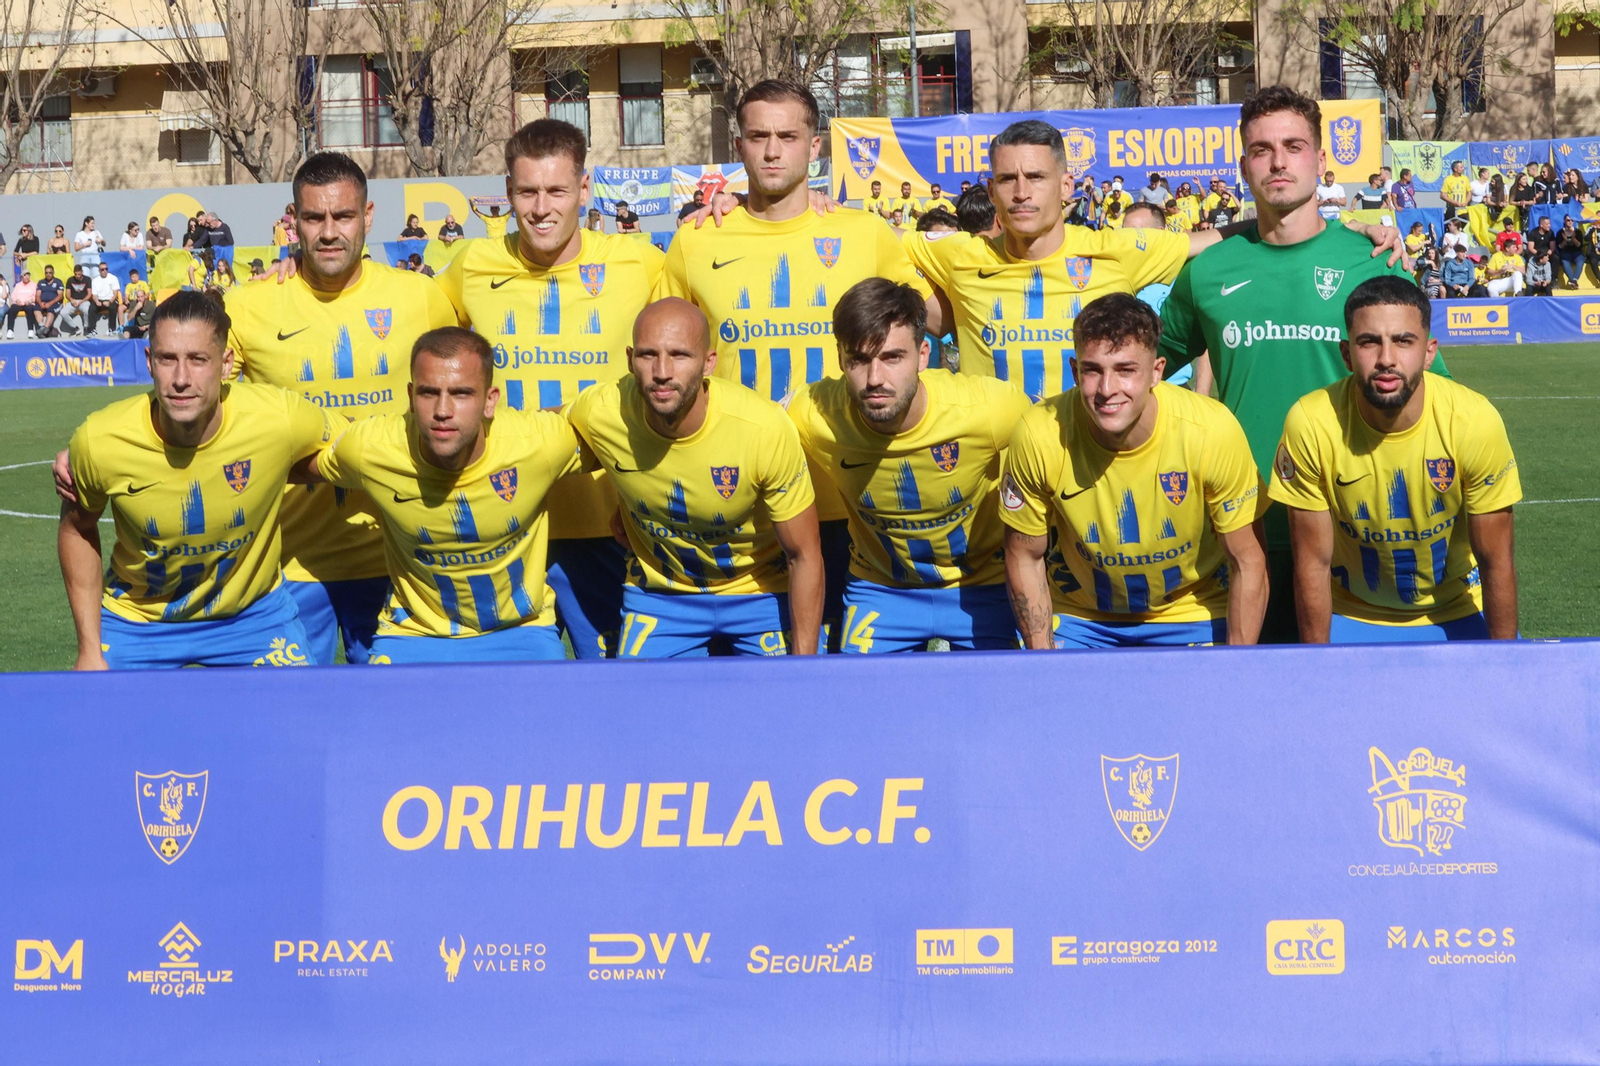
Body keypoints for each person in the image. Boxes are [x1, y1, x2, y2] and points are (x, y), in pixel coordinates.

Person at [653, 81, 934, 651]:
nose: (773, 151)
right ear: (739, 144)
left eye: (788, 136)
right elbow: (666, 357)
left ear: (817, 147)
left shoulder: (863, 234)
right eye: (759, 136)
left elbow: (928, 324)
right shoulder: (697, 239)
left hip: (845, 494)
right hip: (737, 500)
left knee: (834, 695)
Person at [1157, 85, 1434, 644]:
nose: (1278, 161)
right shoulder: (1208, 271)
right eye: (1261, 149)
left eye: (1294, 146)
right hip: (1239, 531)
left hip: (1350, 527)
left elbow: (1429, 395)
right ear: (1243, 165)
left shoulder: (1373, 261)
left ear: (1322, 159)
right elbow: (1149, 369)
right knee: (1243, 707)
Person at [434, 118, 666, 661]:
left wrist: (727, 209)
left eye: (557, 190)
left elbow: (697, 319)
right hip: (504, 521)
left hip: (606, 520)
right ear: (509, 193)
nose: (541, 207)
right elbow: (402, 317)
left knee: (617, 688)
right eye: (527, 192)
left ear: (584, 189)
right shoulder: (472, 265)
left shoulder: (640, 263)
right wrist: (297, 269)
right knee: (504, 698)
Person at [223, 151, 462, 665]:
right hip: (287, 564)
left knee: (393, 727)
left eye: (343, 216)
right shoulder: (247, 306)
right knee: (288, 726)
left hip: (399, 560)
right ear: (294, 222)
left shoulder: (420, 297)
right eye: (313, 218)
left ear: (368, 216)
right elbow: (200, 404)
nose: (329, 231)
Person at [56, 292, 340, 670]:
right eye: (167, 359)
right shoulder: (101, 440)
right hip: (139, 621)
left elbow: (358, 446)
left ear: (226, 364)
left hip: (252, 616)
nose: (181, 379)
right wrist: (89, 648)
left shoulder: (278, 418)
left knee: (300, 723)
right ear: (149, 362)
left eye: (198, 360)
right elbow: (77, 529)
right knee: (101, 725)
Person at [1001, 292, 1267, 649]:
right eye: (1093, 370)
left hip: (1192, 612)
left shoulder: (1210, 430)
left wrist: (1237, 667)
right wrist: (1044, 661)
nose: (1107, 390)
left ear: (1158, 371)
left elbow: (1248, 560)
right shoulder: (1039, 433)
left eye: (1125, 370)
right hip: (1081, 618)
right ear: (1074, 371)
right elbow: (1024, 555)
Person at [566, 298, 825, 658]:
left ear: (709, 363)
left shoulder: (762, 428)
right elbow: (534, 438)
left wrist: (804, 667)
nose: (661, 371)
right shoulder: (600, 411)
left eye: (680, 355)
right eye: (647, 355)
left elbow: (804, 554)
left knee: (785, 709)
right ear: (629, 359)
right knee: (639, 712)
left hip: (760, 591)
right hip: (661, 596)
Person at [303, 328, 579, 663]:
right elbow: (290, 466)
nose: (443, 410)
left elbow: (612, 436)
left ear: (490, 400)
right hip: (412, 634)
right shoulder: (370, 448)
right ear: (410, 396)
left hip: (522, 631)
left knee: (549, 715)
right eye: (428, 393)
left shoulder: (540, 444)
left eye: (461, 394)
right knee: (380, 716)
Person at [1269, 276, 1519, 643]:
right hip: (1351, 616)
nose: (1386, 359)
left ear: (1429, 352)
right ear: (1346, 353)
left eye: (1403, 341)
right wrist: (1317, 666)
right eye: (1369, 342)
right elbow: (1312, 564)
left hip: (1458, 610)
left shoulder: (1474, 420)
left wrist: (1505, 664)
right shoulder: (1310, 422)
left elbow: (1496, 561)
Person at [787, 278, 1031, 653]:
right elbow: (748, 425)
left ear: (923, 354)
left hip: (983, 586)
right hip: (881, 589)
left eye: (892, 358)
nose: (874, 379)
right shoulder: (813, 412)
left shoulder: (989, 409)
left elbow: (1060, 431)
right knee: (855, 706)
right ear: (839, 359)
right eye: (858, 360)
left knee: (1004, 705)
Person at [87, 261, 122, 335]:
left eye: (106, 269)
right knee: (91, 308)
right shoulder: (95, 280)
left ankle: (112, 329)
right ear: (99, 271)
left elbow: (115, 294)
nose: (104, 271)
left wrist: (109, 302)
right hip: (99, 300)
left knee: (113, 307)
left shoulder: (113, 278)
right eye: (102, 269)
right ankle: (92, 329)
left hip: (110, 299)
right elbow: (94, 295)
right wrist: (97, 302)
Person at [59, 263, 92, 335]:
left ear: (82, 272)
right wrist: (71, 300)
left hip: (84, 301)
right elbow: (67, 293)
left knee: (87, 310)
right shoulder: (70, 280)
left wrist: (82, 301)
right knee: (63, 312)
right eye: (76, 274)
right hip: (73, 301)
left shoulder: (87, 279)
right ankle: (75, 328)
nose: (77, 276)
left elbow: (89, 294)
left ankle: (86, 327)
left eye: (79, 274)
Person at [120, 268, 153, 337]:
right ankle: (124, 340)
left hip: (148, 327)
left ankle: (145, 337)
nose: (140, 299)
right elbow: (129, 318)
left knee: (149, 332)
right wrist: (136, 308)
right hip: (138, 325)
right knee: (127, 329)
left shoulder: (151, 305)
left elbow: (156, 320)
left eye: (141, 297)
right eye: (138, 297)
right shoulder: (129, 286)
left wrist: (146, 326)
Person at [5, 271, 37, 339]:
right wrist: (16, 300)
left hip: (28, 303)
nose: (26, 277)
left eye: (28, 275)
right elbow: (13, 295)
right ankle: (10, 330)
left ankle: (30, 330)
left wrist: (30, 301)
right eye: (25, 275)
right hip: (18, 303)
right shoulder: (18, 285)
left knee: (30, 309)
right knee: (11, 310)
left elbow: (36, 296)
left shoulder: (33, 285)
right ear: (22, 277)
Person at [1557, 216, 1586, 288]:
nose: (1570, 222)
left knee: (1581, 260)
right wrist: (1565, 240)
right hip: (1565, 252)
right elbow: (1560, 247)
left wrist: (1573, 239)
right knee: (1564, 261)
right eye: (1568, 220)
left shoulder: (1578, 232)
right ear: (1564, 221)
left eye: (1572, 220)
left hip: (1576, 252)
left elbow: (1579, 245)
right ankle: (1573, 280)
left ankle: (1574, 280)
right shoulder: (1560, 232)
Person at [35, 263, 62, 336]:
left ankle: (45, 330)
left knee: (51, 310)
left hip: (55, 303)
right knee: (36, 308)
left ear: (53, 273)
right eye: (46, 273)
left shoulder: (58, 282)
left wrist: (50, 303)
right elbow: (37, 295)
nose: (48, 274)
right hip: (43, 303)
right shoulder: (41, 282)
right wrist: (40, 303)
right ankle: (41, 327)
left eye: (50, 273)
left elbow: (60, 296)